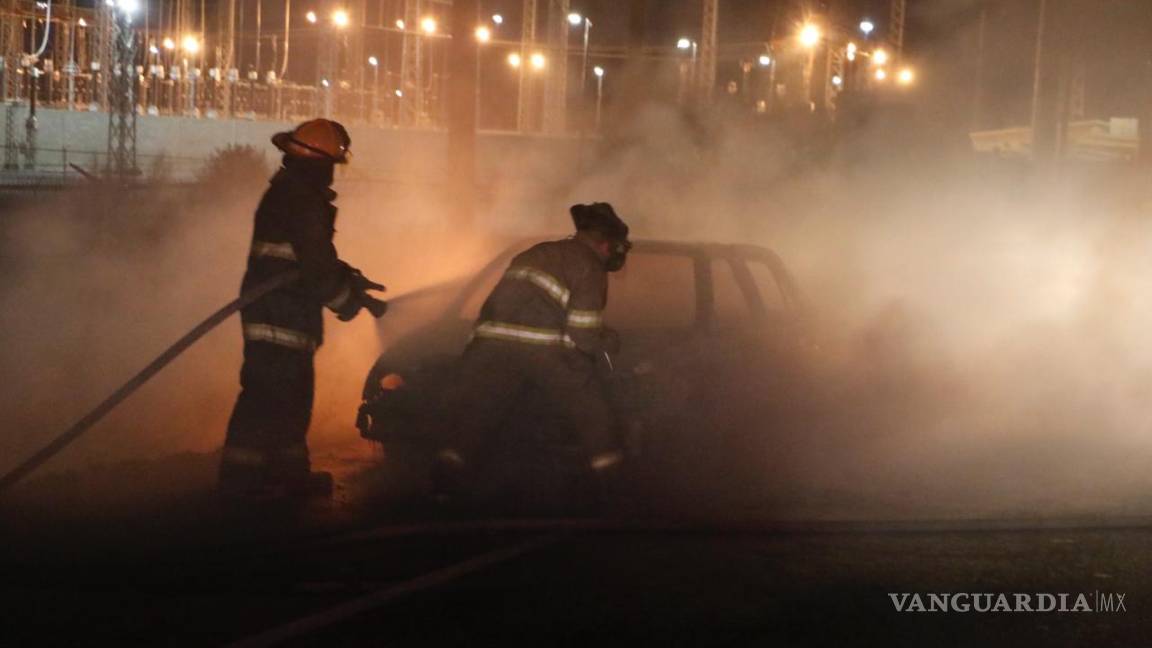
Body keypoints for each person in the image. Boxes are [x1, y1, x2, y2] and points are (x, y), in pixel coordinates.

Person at [219, 118, 386, 500]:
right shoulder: (302, 199)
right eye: (333, 164)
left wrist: (353, 282)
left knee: (290, 400)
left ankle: (288, 476)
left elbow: (312, 259)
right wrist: (345, 301)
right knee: (266, 398)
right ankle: (241, 483)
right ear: (320, 162)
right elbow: (316, 266)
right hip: (280, 315)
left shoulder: (291, 193)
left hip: (282, 312)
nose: (333, 173)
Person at [432, 202, 633, 504]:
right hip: (544, 350)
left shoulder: (537, 252)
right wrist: (610, 341)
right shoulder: (589, 265)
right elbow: (583, 334)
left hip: (487, 346)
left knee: (472, 416)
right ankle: (616, 492)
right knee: (593, 414)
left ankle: (443, 489)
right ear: (606, 244)